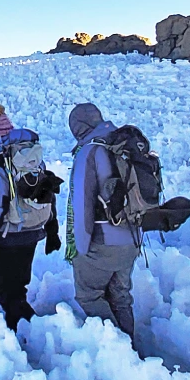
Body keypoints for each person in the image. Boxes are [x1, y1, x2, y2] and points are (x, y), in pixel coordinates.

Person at [67, 103, 142, 339]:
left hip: (102, 243)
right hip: (133, 237)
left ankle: (119, 351)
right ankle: (131, 347)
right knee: (120, 297)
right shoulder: (123, 144)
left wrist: (80, 250)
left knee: (89, 296)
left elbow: (82, 205)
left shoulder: (89, 152)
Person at [0, 128, 62, 330]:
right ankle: (27, 332)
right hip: (33, 230)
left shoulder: (1, 161)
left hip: (8, 236)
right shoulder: (33, 154)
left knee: (6, 293)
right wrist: (52, 228)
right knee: (19, 288)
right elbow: (46, 191)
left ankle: (28, 335)